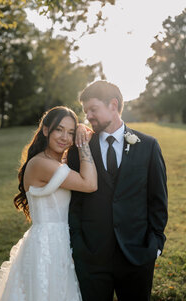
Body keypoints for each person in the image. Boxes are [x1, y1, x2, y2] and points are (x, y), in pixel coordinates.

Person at [68, 80, 168, 301]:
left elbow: (158, 200)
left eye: (93, 109)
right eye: (86, 112)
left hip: (137, 255)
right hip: (92, 256)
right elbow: (74, 203)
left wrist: (155, 245)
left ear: (113, 105)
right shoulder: (80, 147)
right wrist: (78, 245)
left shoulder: (149, 146)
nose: (89, 117)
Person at [0, 106, 97, 301]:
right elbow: (89, 184)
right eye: (59, 129)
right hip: (48, 246)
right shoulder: (42, 164)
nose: (65, 137)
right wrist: (82, 144)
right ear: (46, 130)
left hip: (57, 241)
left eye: (71, 132)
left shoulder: (55, 162)